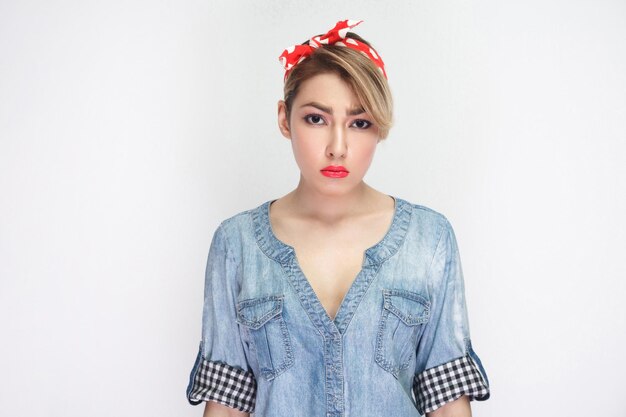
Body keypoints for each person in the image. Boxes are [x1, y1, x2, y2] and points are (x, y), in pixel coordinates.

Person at [186, 19, 491, 417]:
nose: (338, 147)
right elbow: (227, 404)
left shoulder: (429, 238)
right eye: (317, 119)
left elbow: (447, 401)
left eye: (359, 123)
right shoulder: (236, 243)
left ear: (378, 128)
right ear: (284, 119)